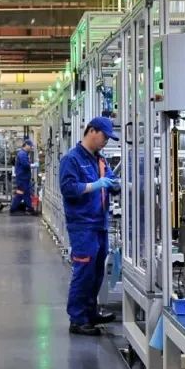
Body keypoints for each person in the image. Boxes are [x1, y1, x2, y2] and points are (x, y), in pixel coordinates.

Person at [59, 117, 119, 336]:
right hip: (82, 224)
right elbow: (68, 189)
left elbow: (110, 181)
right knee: (84, 271)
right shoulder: (72, 159)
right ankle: (77, 319)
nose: (106, 142)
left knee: (96, 272)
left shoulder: (100, 160)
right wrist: (95, 185)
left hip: (100, 223)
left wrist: (116, 184)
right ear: (92, 131)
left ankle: (90, 313)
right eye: (104, 137)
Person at [9, 138, 35, 214]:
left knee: (22, 193)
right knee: (24, 193)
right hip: (22, 178)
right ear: (26, 145)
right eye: (30, 146)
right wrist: (33, 165)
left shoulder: (23, 153)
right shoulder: (22, 154)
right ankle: (29, 208)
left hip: (23, 177)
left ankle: (14, 208)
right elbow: (25, 165)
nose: (31, 147)